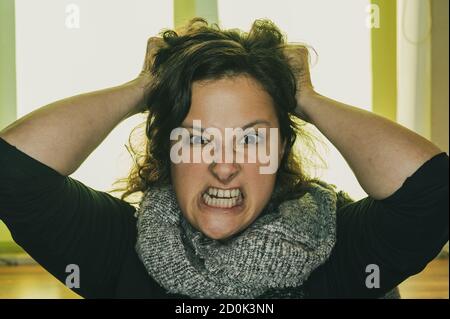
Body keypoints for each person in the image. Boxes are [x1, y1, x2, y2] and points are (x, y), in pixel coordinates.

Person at [0, 18, 448, 299]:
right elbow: (13, 170)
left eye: (253, 140)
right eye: (197, 140)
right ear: (166, 154)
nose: (224, 164)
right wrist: (142, 87)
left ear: (280, 153)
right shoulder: (119, 248)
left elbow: (432, 190)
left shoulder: (340, 248)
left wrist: (306, 98)